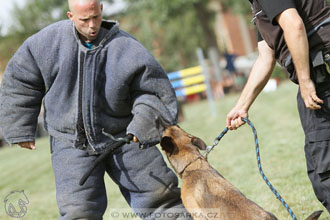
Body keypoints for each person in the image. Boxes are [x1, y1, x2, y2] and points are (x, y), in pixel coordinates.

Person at [0, 0, 192, 219]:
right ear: (70, 16)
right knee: (78, 212)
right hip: (70, 141)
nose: (92, 25)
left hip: (126, 136)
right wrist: (19, 128)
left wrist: (142, 126)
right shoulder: (46, 44)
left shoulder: (127, 47)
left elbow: (152, 91)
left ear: (102, 10)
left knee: (162, 200)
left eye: (96, 17)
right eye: (84, 20)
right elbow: (20, 81)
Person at [226, 0, 330, 212]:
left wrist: (305, 80)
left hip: (321, 78)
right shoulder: (258, 5)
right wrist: (242, 106)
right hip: (316, 79)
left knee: (326, 175)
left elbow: (294, 25)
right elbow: (266, 57)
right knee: (318, 172)